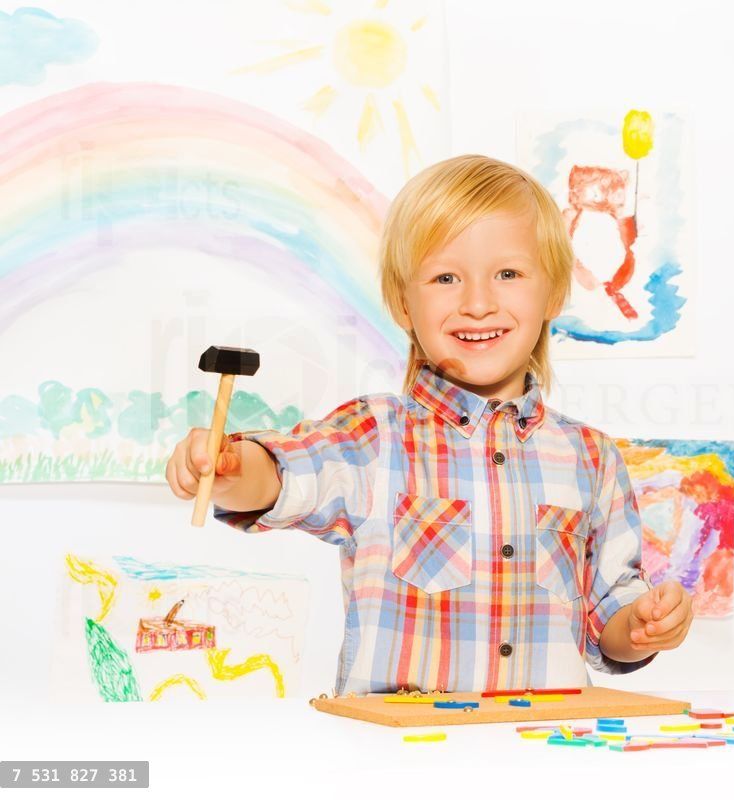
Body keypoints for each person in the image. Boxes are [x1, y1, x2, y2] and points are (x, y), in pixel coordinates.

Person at [165, 154, 693, 695]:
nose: (478, 303)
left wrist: (645, 625)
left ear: (553, 292)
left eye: (507, 274)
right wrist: (229, 466)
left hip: (539, 758)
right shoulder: (373, 438)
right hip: (400, 761)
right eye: (445, 277)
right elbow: (287, 472)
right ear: (402, 302)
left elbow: (610, 622)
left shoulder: (592, 458)